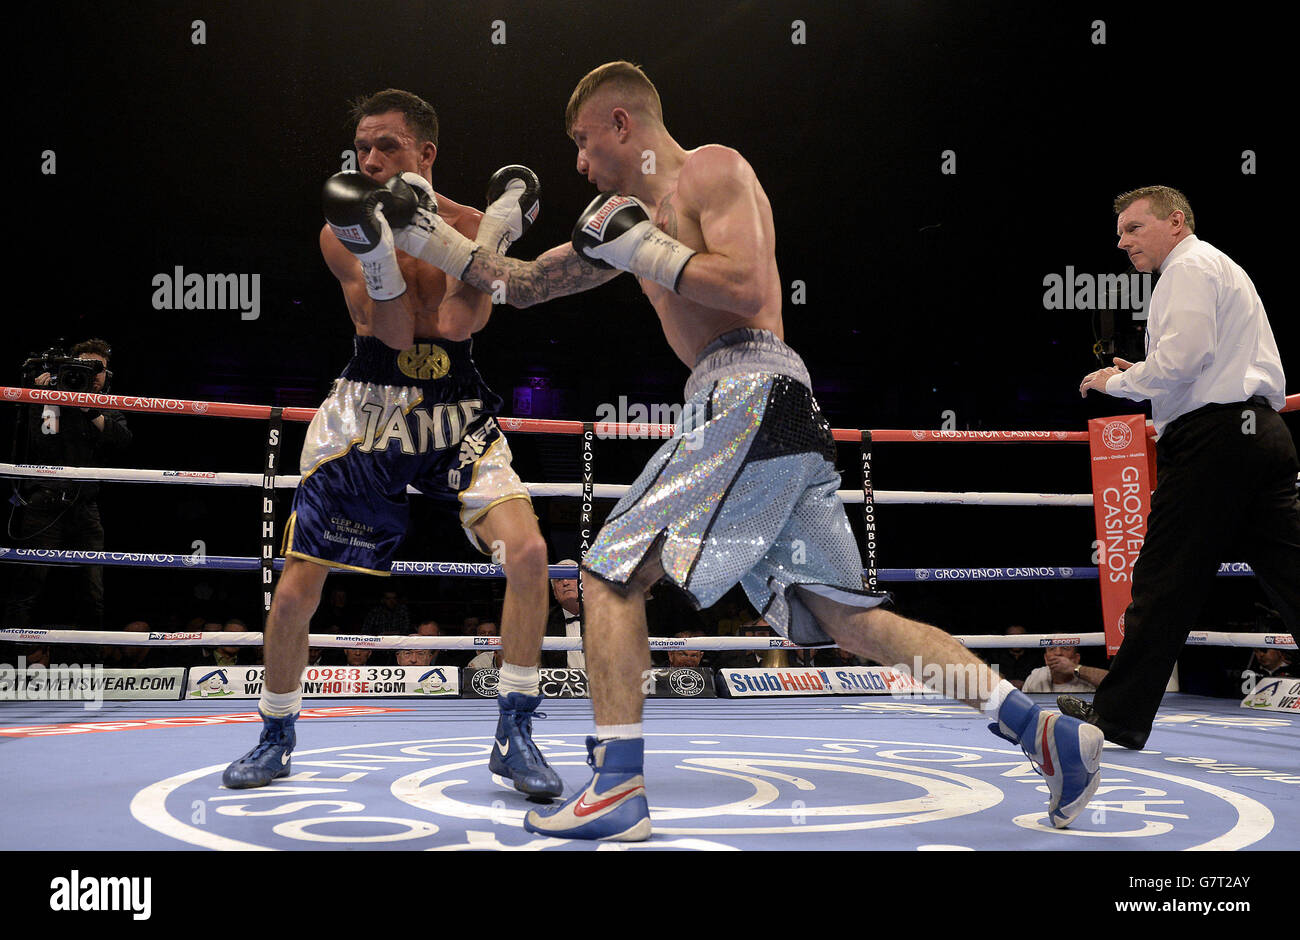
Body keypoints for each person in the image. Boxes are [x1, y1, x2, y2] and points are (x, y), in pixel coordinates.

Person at [389, 61, 1104, 839]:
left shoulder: (713, 170)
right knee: (847, 618)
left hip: (750, 388)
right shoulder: (617, 220)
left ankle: (619, 787)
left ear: (621, 124)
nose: (579, 163)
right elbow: (521, 285)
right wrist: (430, 228)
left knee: (608, 572)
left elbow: (746, 287)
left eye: (584, 142)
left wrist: (645, 250)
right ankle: (1046, 732)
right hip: (759, 412)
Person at [222, 89, 562, 801]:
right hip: (368, 407)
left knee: (528, 555)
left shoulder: (469, 224)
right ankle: (275, 733)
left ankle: (515, 732)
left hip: (455, 408)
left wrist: (485, 233)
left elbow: (461, 324)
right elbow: (397, 332)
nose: (370, 159)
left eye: (388, 147)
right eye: (363, 148)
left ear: (425, 155)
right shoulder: (337, 228)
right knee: (294, 591)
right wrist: (380, 249)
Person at [1068, 185, 1299, 748]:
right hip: (1260, 436)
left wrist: (1117, 381)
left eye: (1133, 228)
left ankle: (1116, 717)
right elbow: (1198, 359)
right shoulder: (1218, 266)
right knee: (1294, 577)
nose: (1121, 241)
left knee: (1164, 578)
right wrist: (1151, 369)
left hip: (1215, 442)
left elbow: (1187, 358)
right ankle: (1119, 711)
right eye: (1120, 232)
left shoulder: (1187, 267)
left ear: (1175, 222)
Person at [5, 339, 129, 631]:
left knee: (93, 590)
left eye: (99, 368)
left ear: (107, 374)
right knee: (28, 584)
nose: (94, 373)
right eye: (86, 366)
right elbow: (45, 442)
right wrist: (49, 398)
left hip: (86, 507)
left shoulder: (106, 404)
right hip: (45, 503)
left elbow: (122, 440)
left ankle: (90, 662)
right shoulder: (50, 397)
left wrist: (89, 409)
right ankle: (10, 661)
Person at [1021, 645, 1105, 694]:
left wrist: (1074, 668)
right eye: (1052, 648)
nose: (1058, 653)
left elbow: (1114, 682)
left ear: (1076, 658)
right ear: (1046, 658)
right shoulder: (1036, 675)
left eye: (1065, 648)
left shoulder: (1087, 677)